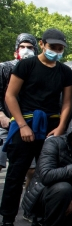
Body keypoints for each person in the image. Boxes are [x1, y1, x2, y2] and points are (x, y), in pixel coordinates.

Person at [0, 28, 72, 226]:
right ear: (42, 44)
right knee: (15, 176)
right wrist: (22, 125)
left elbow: (67, 102)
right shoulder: (26, 65)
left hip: (51, 127)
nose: (56, 51)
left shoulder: (65, 71)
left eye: (60, 48)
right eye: (52, 47)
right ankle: (7, 222)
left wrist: (61, 127)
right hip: (25, 124)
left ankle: (41, 217)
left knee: (47, 177)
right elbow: (10, 96)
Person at [0, 33, 39, 171]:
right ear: (16, 49)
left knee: (31, 169)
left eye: (29, 47)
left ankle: (28, 193)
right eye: (22, 46)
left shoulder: (38, 70)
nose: (25, 50)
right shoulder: (4, 68)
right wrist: (1, 115)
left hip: (29, 123)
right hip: (4, 122)